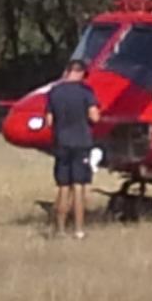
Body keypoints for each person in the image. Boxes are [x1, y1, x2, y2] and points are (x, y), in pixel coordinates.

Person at [45, 59, 100, 239]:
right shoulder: (86, 92)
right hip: (81, 143)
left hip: (61, 142)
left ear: (67, 71)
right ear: (82, 73)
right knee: (78, 187)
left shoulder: (54, 92)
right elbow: (95, 117)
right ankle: (78, 230)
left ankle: (60, 230)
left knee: (63, 187)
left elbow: (49, 121)